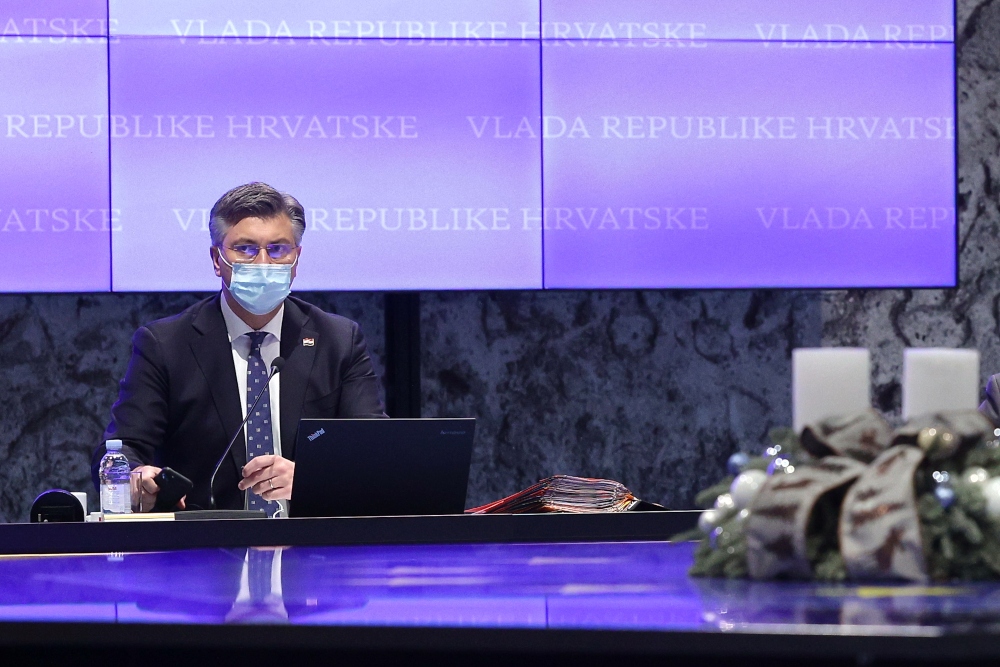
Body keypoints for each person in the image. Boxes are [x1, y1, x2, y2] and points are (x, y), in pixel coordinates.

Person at [91, 182, 385, 515]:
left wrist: (309, 479)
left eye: (278, 249)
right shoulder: (166, 345)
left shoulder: (338, 340)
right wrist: (137, 477)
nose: (263, 263)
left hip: (313, 539)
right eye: (245, 249)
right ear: (217, 259)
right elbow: (121, 450)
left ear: (296, 259)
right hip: (205, 538)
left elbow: (373, 455)